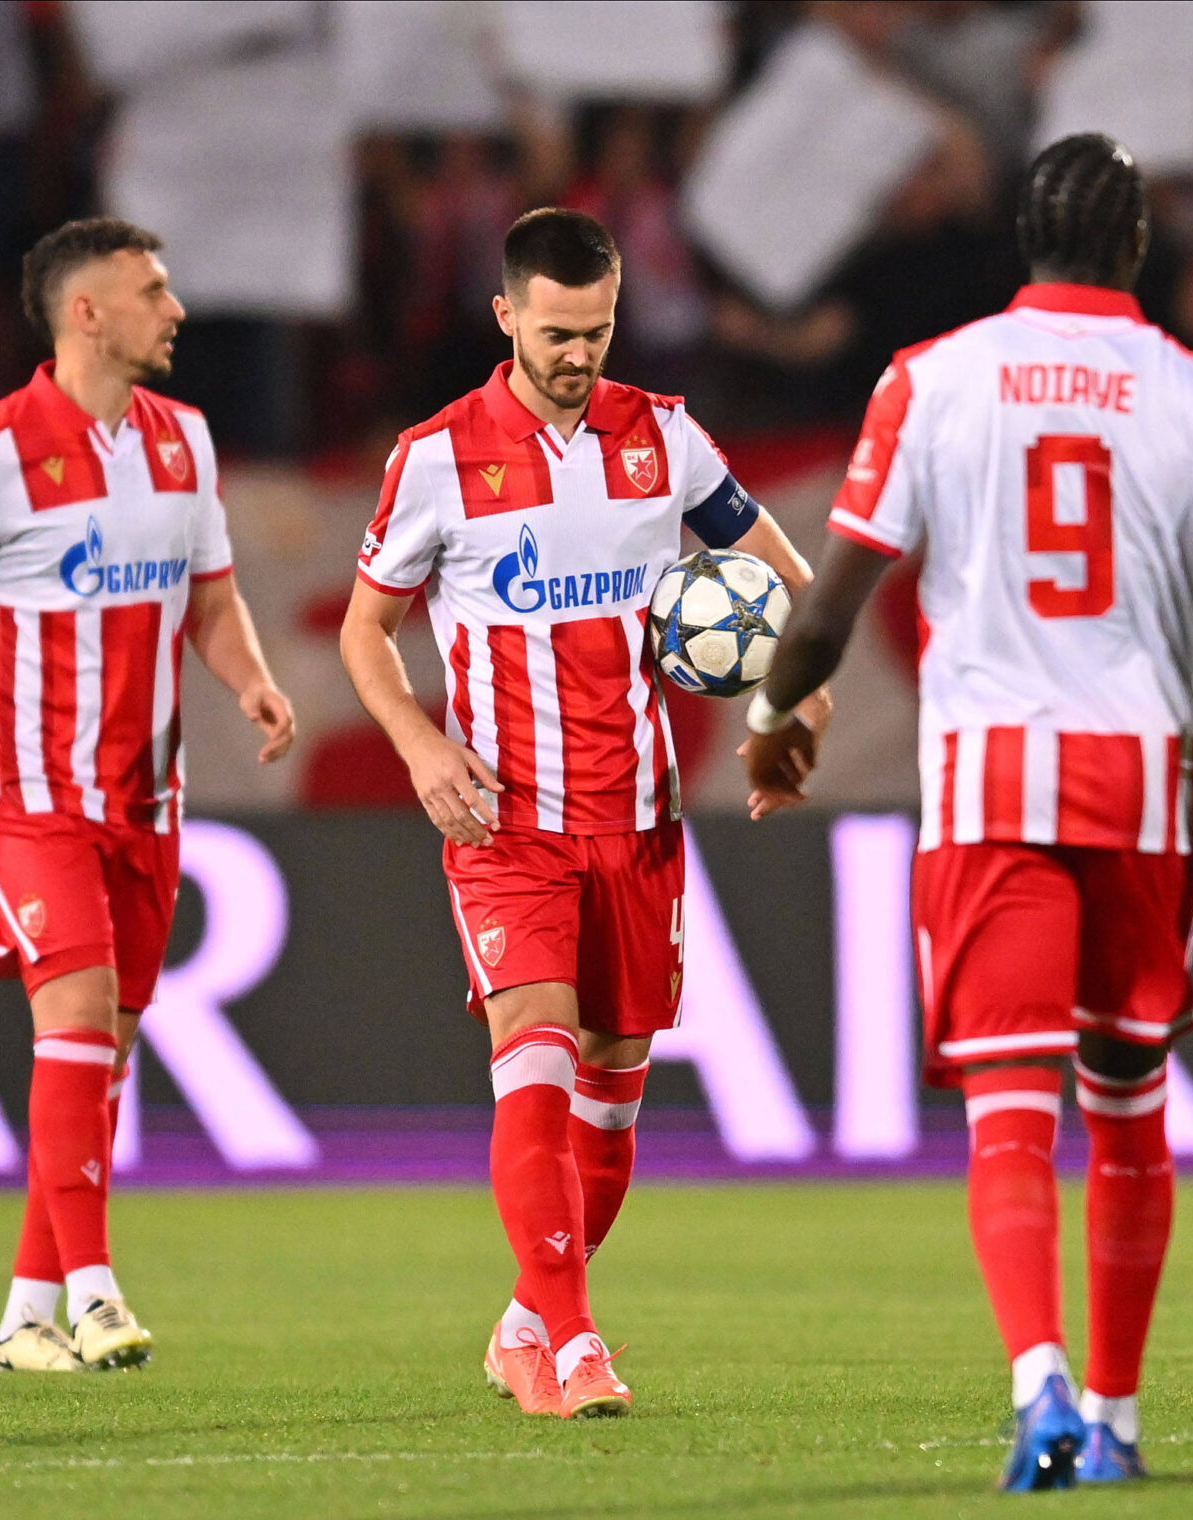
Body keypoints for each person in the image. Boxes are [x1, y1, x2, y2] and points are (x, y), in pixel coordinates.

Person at [742, 133, 1193, 1491]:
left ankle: (1038, 1384)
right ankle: (1121, 1419)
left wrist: (773, 723)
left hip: (990, 780)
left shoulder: (931, 379)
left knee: (1008, 1103)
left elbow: (835, 599)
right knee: (1128, 1103)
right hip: (1144, 782)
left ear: (1022, 235)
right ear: (1138, 245)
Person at [337, 208, 827, 1420]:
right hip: (504, 820)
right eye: (556, 333)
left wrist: (780, 715)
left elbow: (785, 583)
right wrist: (418, 744)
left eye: (598, 331)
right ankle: (574, 1343)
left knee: (611, 1097)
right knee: (536, 1069)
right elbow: (364, 630)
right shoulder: (439, 456)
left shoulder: (663, 437)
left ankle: (522, 1322)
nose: (578, 355)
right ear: (505, 315)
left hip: (640, 814)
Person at [0, 218, 298, 1374]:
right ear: (88, 314)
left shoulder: (186, 444)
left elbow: (209, 595)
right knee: (74, 1015)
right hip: (23, 793)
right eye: (153, 290)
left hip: (143, 797)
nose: (175, 308)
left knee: (101, 1053)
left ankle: (24, 1317)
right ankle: (97, 1288)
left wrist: (253, 680)